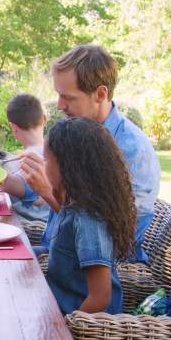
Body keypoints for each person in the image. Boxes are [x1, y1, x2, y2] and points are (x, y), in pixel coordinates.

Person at [21, 45, 161, 262]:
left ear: (100, 94)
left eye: (68, 97)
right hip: (58, 249)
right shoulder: (79, 133)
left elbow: (109, 238)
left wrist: (48, 192)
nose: (59, 105)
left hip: (93, 268)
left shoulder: (130, 150)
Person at [42, 117, 136, 315]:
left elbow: (100, 297)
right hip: (57, 307)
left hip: (82, 328)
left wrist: (65, 330)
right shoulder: (72, 206)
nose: (44, 166)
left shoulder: (88, 221)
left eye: (46, 160)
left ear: (67, 166)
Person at [0, 94, 49, 222]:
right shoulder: (54, 152)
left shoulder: (29, 159)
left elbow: (21, 186)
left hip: (30, 226)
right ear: (44, 119)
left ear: (13, 127)